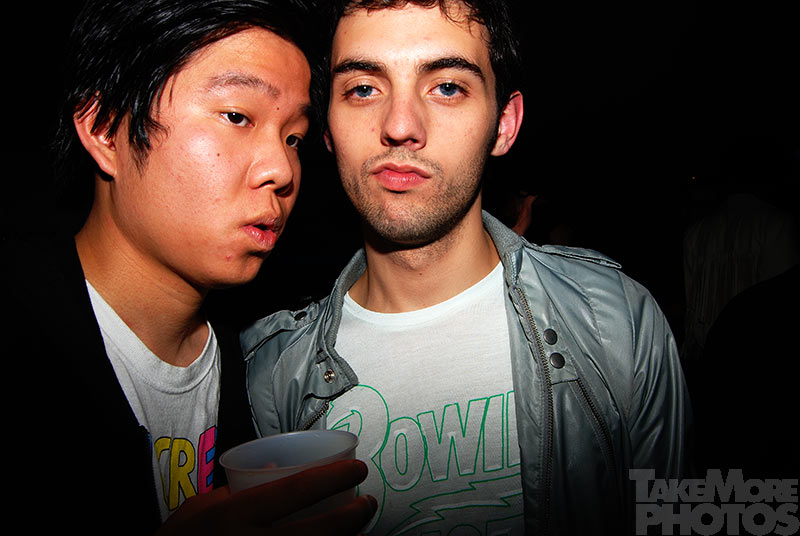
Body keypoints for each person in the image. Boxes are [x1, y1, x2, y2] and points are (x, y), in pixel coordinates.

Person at [242, 1, 692, 534]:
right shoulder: (273, 373)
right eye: (363, 89)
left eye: (447, 87)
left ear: (504, 124)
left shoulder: (616, 322)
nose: (400, 126)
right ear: (328, 130)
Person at [2, 0, 376, 533]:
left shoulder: (263, 365)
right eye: (237, 116)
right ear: (105, 128)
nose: (281, 169)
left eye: (293, 137)